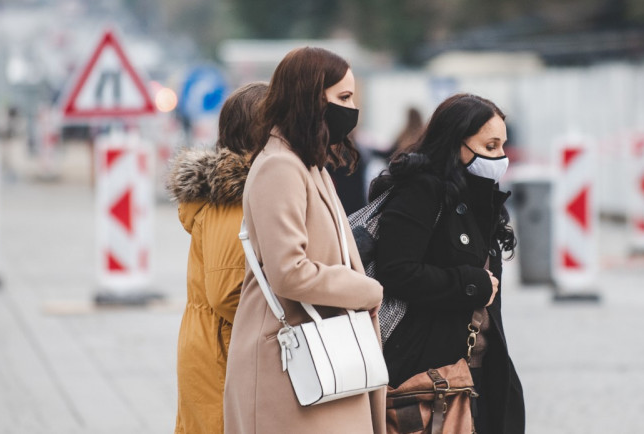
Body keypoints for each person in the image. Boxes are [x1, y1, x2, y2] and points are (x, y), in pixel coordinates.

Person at [223, 47, 385, 433]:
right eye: (343, 98)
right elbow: (288, 272)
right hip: (293, 366)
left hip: (322, 361)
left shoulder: (305, 162)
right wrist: (366, 290)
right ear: (312, 99)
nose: (351, 109)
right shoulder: (280, 166)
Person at [371, 93, 525, 433]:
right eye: (490, 145)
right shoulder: (421, 191)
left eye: (503, 145)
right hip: (429, 374)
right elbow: (395, 270)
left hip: (480, 366)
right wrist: (470, 283)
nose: (500, 156)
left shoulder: (481, 195)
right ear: (457, 143)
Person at [167, 82, 269, 434]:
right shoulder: (233, 198)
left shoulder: (236, 192)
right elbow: (228, 292)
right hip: (222, 351)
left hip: (214, 346)